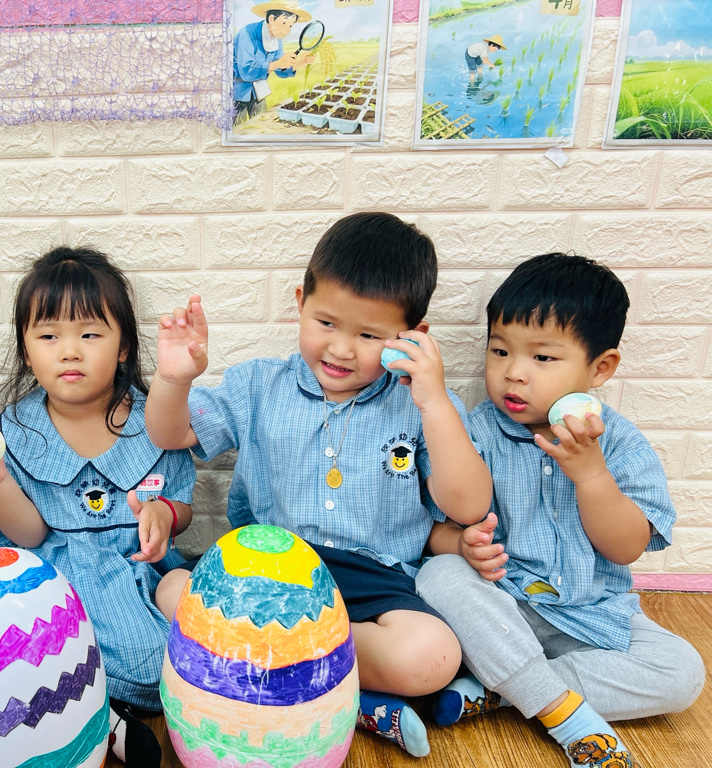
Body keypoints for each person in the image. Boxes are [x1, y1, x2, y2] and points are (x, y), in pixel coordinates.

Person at [145, 212, 493, 757]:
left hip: (373, 577)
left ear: (412, 338)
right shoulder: (260, 384)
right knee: (170, 589)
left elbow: (469, 506)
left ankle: (292, 680)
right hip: (267, 571)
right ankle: (348, 697)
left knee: (433, 655)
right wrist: (173, 379)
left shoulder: (422, 404)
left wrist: (433, 402)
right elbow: (171, 434)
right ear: (300, 302)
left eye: (369, 335)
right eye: (326, 322)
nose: (342, 349)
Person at [416, 253, 705, 767]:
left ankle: (504, 690)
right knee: (438, 575)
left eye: (543, 358)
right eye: (500, 350)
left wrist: (592, 476)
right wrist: (460, 545)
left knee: (681, 673)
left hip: (593, 615)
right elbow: (435, 530)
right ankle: (558, 710)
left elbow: (627, 547)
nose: (514, 373)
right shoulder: (475, 432)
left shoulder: (618, 444)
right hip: (502, 609)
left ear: (600, 368)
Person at [0, 246, 195, 768]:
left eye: (89, 335)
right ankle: (98, 719)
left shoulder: (156, 421)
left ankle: (88, 711)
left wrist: (166, 516)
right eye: (48, 336)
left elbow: (182, 507)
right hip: (43, 568)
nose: (69, 352)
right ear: (25, 351)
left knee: (150, 658)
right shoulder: (17, 429)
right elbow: (27, 537)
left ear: (124, 347)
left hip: (126, 571)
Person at [233, 0, 315, 124]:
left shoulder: (276, 40)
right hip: (239, 94)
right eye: (284, 23)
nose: (287, 30)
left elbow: (280, 70)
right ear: (271, 19)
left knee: (262, 123)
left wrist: (297, 64)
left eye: (291, 26)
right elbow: (246, 71)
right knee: (239, 126)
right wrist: (277, 64)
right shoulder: (247, 34)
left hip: (259, 93)